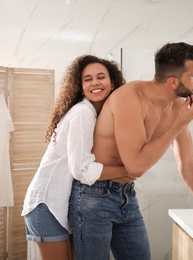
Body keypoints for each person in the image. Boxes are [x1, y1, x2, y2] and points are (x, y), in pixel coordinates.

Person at [68, 42, 193, 260]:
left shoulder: (177, 106)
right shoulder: (129, 97)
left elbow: (188, 164)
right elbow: (136, 166)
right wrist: (177, 125)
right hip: (93, 196)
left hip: (126, 194)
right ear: (172, 81)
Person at [22, 55, 131, 260]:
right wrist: (128, 171)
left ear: (112, 83)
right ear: (81, 87)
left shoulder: (99, 114)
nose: (95, 82)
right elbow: (82, 169)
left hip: (60, 204)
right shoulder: (83, 112)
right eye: (87, 79)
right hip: (47, 204)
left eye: (100, 77)